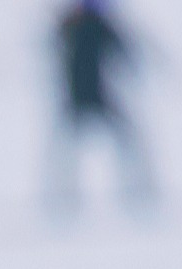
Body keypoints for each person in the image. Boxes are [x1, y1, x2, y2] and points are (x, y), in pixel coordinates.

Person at [48, 1, 154, 213]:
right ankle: (62, 197)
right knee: (65, 150)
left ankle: (140, 189)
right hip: (81, 98)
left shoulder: (86, 26)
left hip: (93, 96)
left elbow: (124, 50)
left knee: (126, 140)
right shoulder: (74, 27)